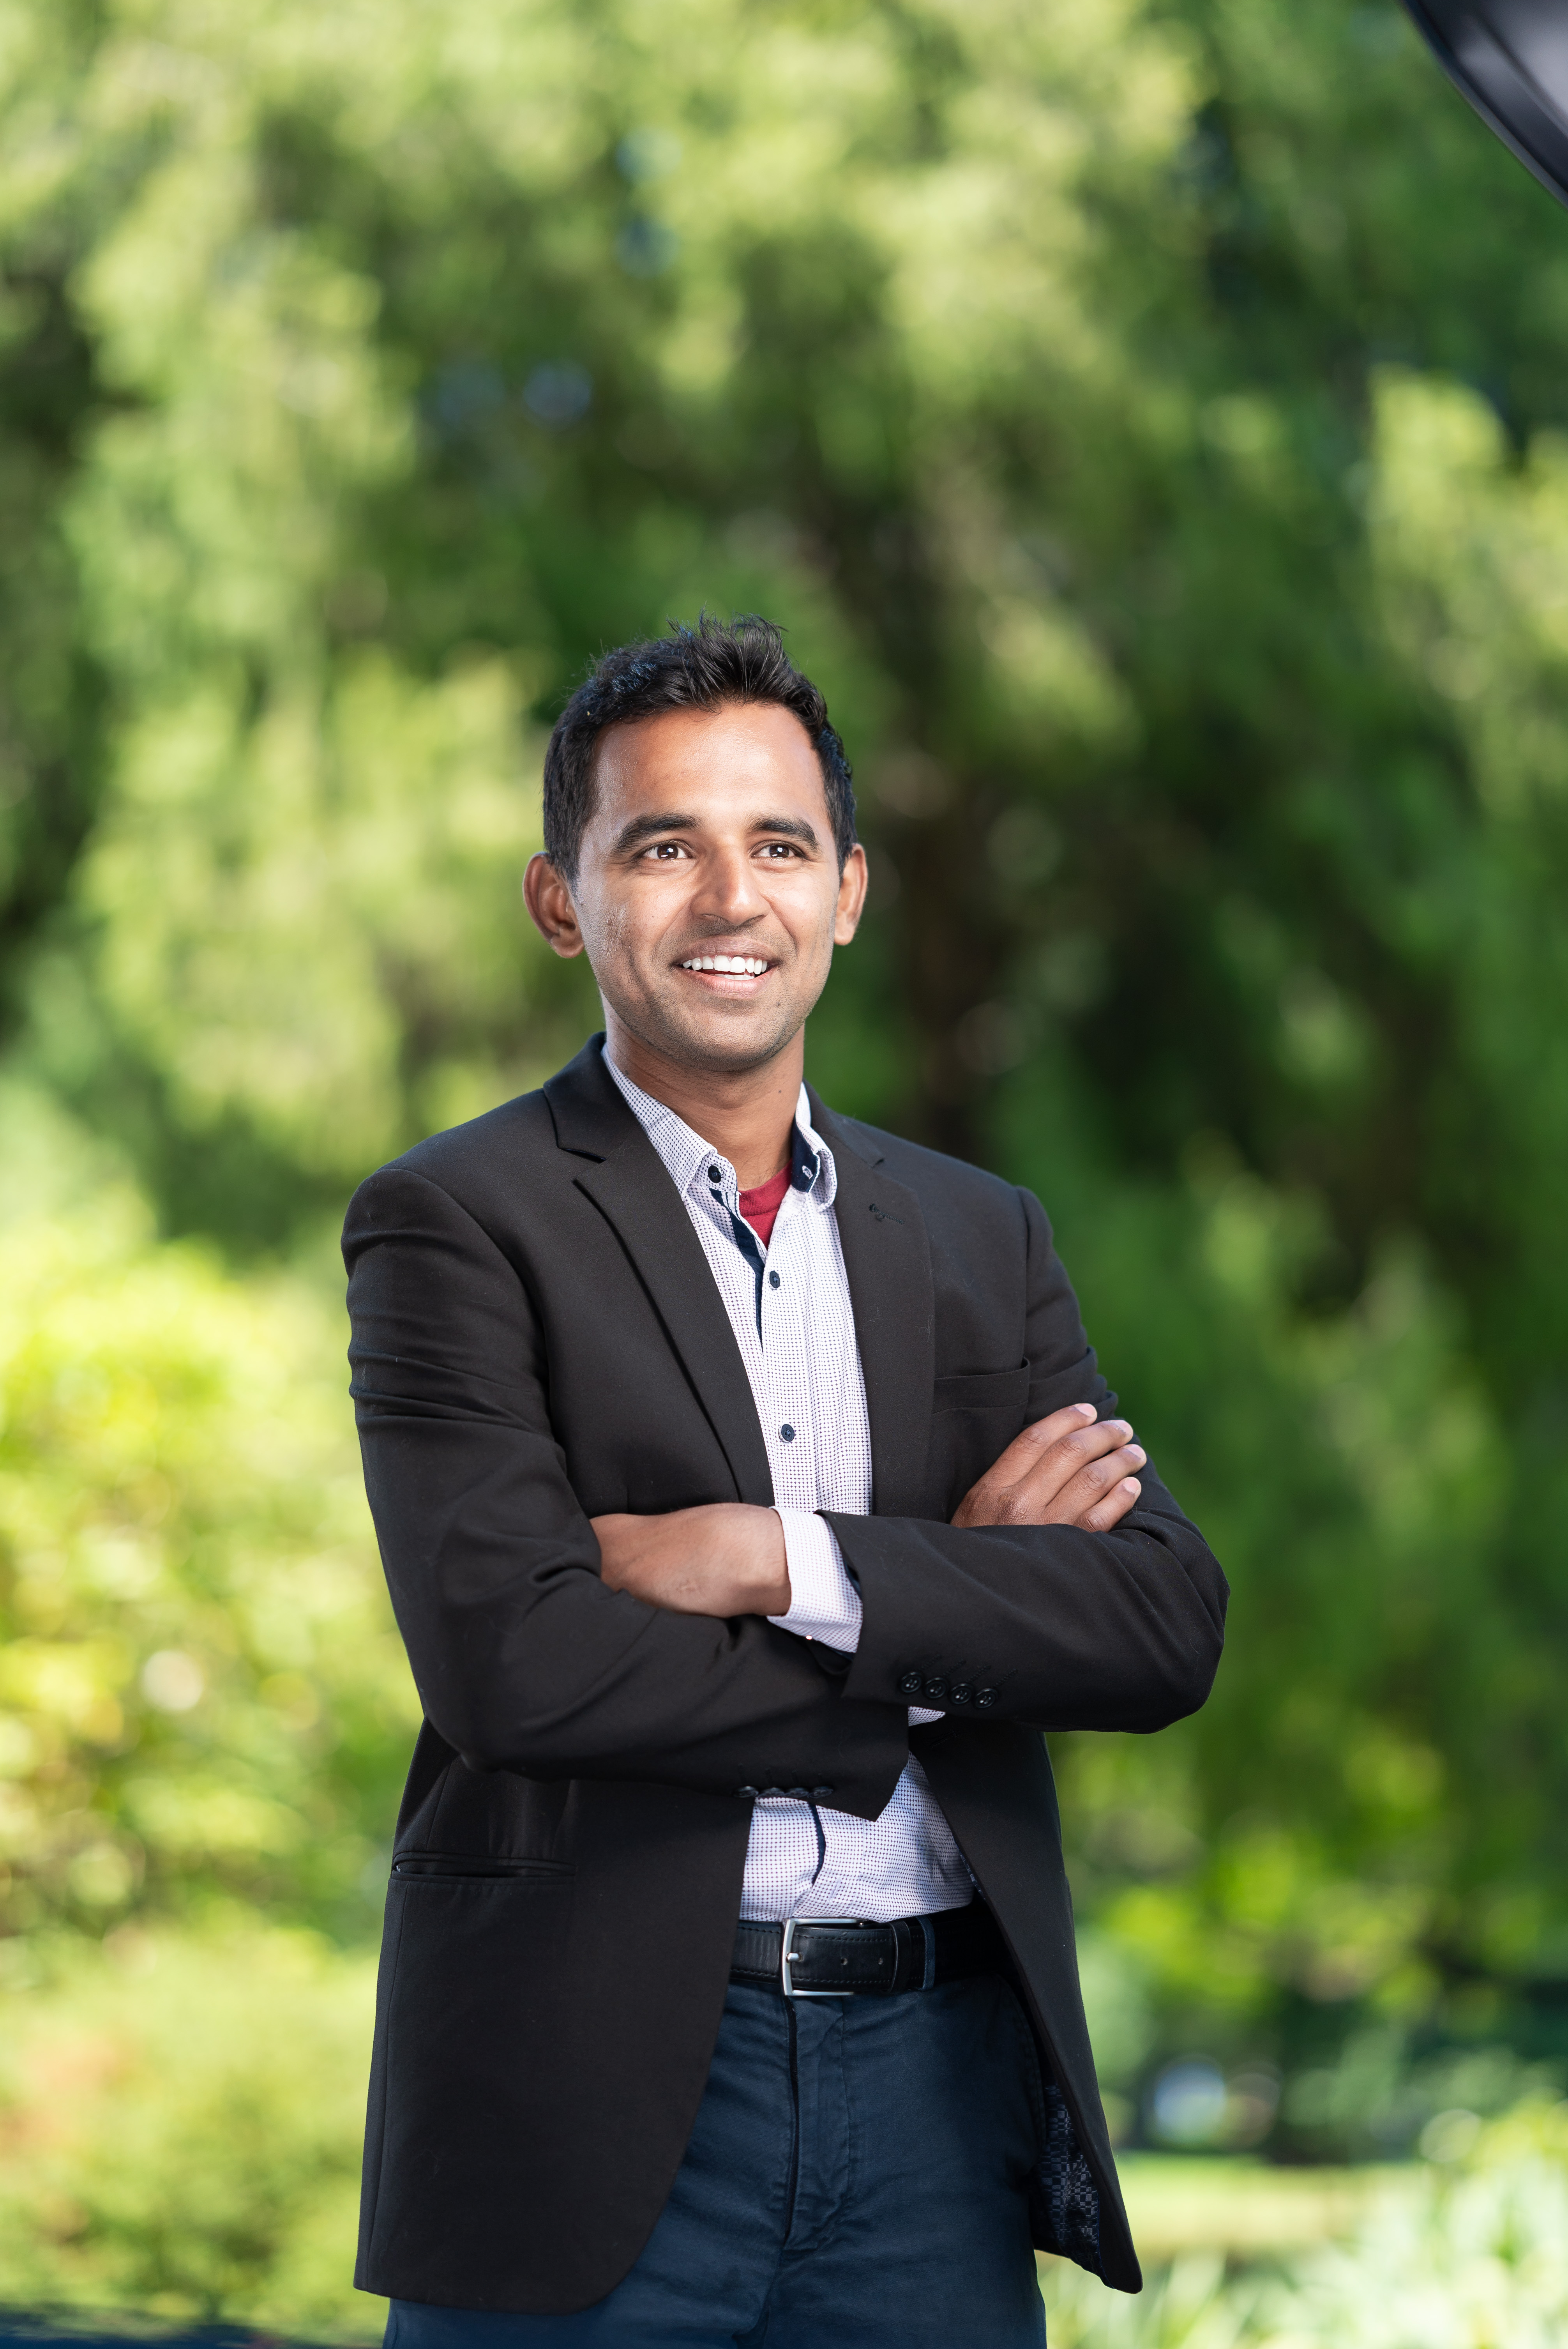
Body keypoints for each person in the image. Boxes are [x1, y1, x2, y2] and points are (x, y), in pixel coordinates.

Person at [343, 615, 1227, 2349]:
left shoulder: (980, 1237)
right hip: (584, 2108)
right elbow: (515, 1669)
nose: (727, 898)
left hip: (935, 2106)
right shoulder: (458, 1222)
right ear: (560, 899)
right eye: (662, 846)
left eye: (778, 846)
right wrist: (941, 1616)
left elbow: (1157, 1625)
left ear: (847, 892)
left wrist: (780, 1558)